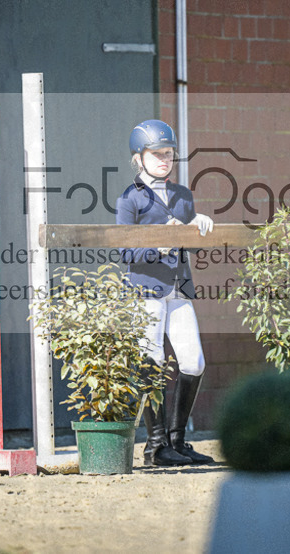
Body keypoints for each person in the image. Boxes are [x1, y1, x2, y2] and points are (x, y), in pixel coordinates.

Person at [116, 119, 214, 467]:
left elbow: (191, 248)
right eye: (156, 154)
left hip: (179, 289)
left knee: (194, 361)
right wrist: (161, 243)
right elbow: (126, 254)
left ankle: (179, 441)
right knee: (153, 363)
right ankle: (155, 447)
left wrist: (197, 229)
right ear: (139, 158)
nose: (164, 159)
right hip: (147, 291)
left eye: (169, 153)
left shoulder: (183, 196)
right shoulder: (130, 200)